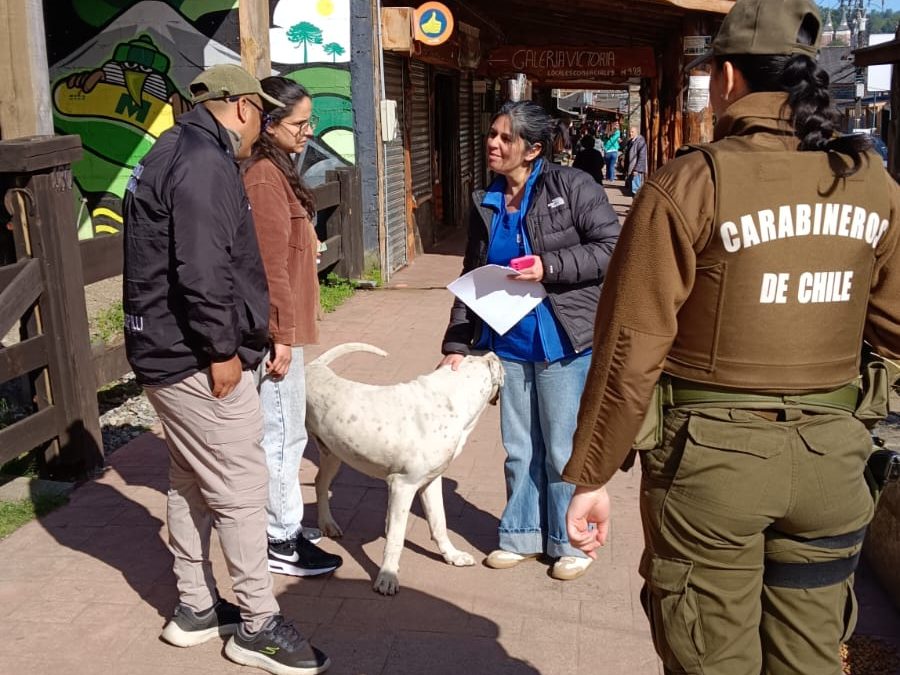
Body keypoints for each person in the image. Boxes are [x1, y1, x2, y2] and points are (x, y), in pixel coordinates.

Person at [563, 0, 900, 673]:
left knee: (711, 658)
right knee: (810, 659)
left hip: (712, 467)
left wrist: (593, 474)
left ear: (726, 78)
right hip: (834, 460)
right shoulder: (871, 184)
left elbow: (631, 346)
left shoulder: (691, 182)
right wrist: (858, 403)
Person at [122, 63, 330, 675]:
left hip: (162, 349)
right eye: (261, 113)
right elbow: (203, 270)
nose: (261, 125)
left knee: (188, 479)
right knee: (242, 488)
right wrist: (220, 352)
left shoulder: (169, 147)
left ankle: (194, 608)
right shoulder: (207, 164)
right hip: (193, 355)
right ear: (239, 105)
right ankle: (259, 625)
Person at [440, 100, 620, 581]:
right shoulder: (488, 200)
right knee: (519, 445)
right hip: (509, 342)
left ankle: (571, 540)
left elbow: (610, 248)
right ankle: (520, 533)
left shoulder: (573, 187)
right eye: (492, 134)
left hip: (563, 337)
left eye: (505, 138)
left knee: (562, 445)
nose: (493, 144)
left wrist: (551, 267)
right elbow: (472, 275)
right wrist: (457, 343)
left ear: (533, 149)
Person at [241, 76, 344, 580]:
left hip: (288, 326)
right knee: (282, 435)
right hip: (277, 331)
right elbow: (266, 264)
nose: (308, 131)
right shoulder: (263, 176)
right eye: (300, 123)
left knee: (284, 432)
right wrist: (279, 332)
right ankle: (280, 535)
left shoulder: (278, 170)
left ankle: (282, 524)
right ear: (270, 124)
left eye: (310, 121)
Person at [624, 126, 647, 195]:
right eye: (630, 132)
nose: (630, 133)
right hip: (631, 169)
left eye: (632, 132)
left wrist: (637, 169)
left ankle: (637, 205)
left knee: (636, 190)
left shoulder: (640, 141)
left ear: (636, 132)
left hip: (636, 170)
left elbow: (642, 156)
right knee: (632, 190)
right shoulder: (631, 141)